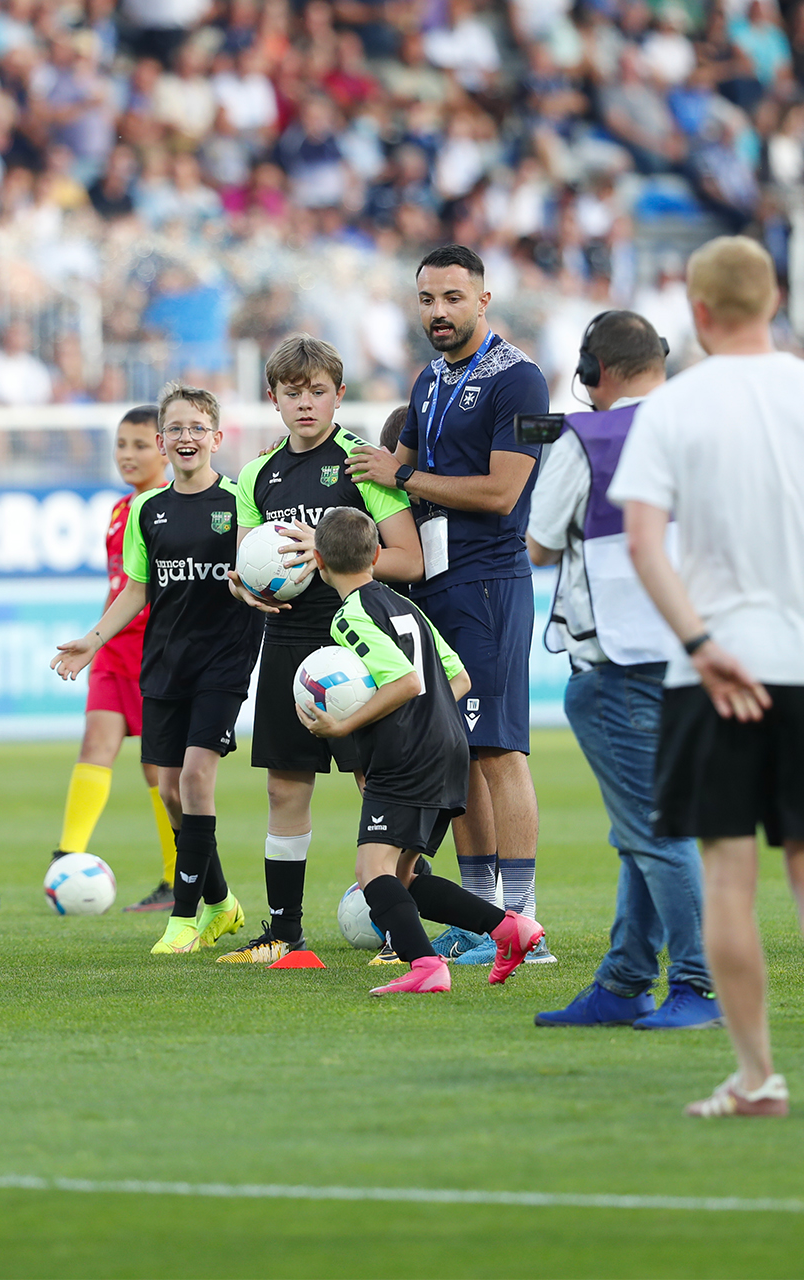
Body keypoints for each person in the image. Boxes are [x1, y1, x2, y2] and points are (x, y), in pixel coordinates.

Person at [609, 235, 804, 1118]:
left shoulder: (670, 408)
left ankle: (756, 1076)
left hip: (713, 676)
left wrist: (700, 643)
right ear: (775, 299)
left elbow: (641, 544)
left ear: (697, 313)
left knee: (729, 877)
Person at [348, 243, 554, 962]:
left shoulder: (524, 381)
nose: (439, 311)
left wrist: (403, 475)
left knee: (500, 750)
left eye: (453, 298)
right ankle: (482, 917)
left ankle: (525, 921)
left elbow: (503, 493)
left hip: (492, 583)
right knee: (462, 753)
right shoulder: (428, 380)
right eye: (428, 299)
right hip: (436, 588)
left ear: (483, 300)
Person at [526, 311, 720, 1029]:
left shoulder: (588, 436)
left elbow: (541, 545)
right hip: (693, 656)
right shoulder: (702, 430)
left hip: (616, 663)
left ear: (592, 372)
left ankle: (699, 986)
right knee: (643, 831)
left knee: (654, 834)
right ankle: (625, 980)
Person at [223, 334, 421, 963]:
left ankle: (398, 932)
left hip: (356, 641)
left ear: (339, 394)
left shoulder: (364, 463)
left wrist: (328, 553)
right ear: (273, 398)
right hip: (284, 641)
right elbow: (250, 559)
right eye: (292, 393)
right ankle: (283, 933)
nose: (305, 404)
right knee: (286, 787)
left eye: (317, 392)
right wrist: (243, 586)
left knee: (374, 785)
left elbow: (410, 560)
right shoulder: (258, 472)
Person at [295, 508, 545, 995]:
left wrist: (343, 724)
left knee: (372, 871)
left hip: (407, 755)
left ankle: (425, 966)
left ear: (319, 562)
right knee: (404, 877)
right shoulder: (406, 607)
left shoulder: (350, 617)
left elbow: (406, 681)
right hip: (448, 746)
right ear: (376, 555)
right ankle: (511, 930)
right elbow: (459, 678)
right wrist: (429, 721)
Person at [52, 383, 261, 955]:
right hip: (164, 662)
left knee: (195, 778)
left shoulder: (240, 500)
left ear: (217, 438)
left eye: (197, 428)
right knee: (170, 791)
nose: (186, 437)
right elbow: (137, 588)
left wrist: (260, 593)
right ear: (164, 441)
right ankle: (221, 901)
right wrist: (93, 641)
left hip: (224, 660)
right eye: (176, 429)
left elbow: (261, 570)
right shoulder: (148, 509)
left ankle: (185, 919)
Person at [49, 404, 180, 912]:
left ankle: (175, 878)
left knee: (156, 769)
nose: (128, 455)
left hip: (156, 648)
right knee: (96, 741)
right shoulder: (120, 510)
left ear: (166, 450)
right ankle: (67, 856)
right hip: (112, 646)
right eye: (121, 445)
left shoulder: (171, 507)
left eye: (140, 445)